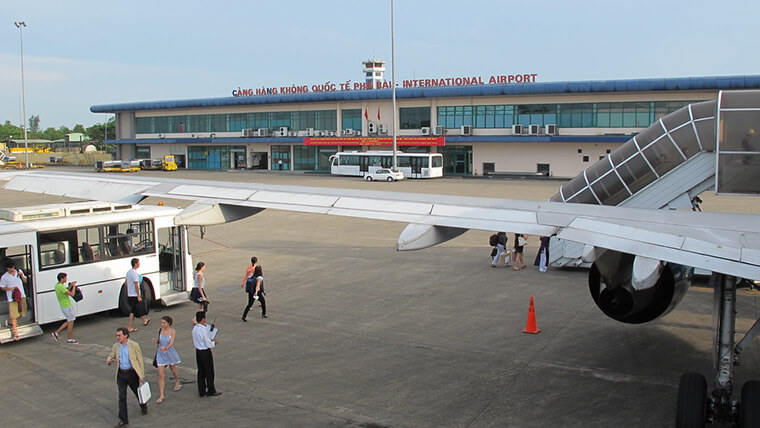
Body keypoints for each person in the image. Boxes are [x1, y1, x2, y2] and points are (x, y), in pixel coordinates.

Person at [106, 327, 148, 427]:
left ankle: (143, 405)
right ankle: (123, 419)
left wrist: (141, 374)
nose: (117, 337)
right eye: (116, 335)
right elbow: (112, 355)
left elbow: (140, 360)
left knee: (137, 392)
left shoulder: (134, 345)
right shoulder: (116, 346)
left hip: (132, 373)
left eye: (119, 335)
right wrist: (109, 359)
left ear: (126, 335)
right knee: (122, 396)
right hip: (121, 374)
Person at [151, 316, 182, 404]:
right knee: (160, 374)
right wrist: (157, 341)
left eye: (164, 323)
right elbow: (160, 341)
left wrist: (166, 348)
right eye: (162, 323)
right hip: (161, 353)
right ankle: (161, 395)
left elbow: (171, 343)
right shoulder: (161, 330)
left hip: (169, 352)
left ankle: (177, 381)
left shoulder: (172, 331)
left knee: (173, 369)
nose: (162, 324)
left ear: (169, 323)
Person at [192, 311, 221, 397]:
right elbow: (208, 343)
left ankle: (202, 390)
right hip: (205, 352)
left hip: (198, 351)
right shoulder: (203, 331)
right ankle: (211, 390)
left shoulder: (195, 329)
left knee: (201, 371)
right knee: (209, 371)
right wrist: (214, 343)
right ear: (203, 319)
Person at [0, 261, 27, 341]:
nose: (12, 269)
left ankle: (10, 322)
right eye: (10, 268)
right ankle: (15, 333)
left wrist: (22, 275)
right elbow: (2, 287)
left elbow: (25, 281)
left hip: (21, 295)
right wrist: (10, 289)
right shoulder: (4, 277)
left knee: (23, 313)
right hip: (12, 298)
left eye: (12, 267)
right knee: (13, 316)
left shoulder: (19, 272)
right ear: (7, 268)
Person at [52, 272, 78, 344]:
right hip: (66, 306)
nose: (66, 279)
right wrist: (74, 287)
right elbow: (72, 294)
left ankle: (56, 333)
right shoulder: (61, 286)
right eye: (65, 278)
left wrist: (70, 287)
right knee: (70, 322)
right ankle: (70, 338)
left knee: (69, 320)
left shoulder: (58, 286)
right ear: (62, 278)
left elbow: (66, 291)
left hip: (64, 306)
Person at [125, 258, 150, 333]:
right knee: (133, 311)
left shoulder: (128, 272)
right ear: (135, 264)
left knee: (137, 309)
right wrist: (138, 295)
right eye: (139, 263)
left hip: (130, 294)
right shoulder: (135, 274)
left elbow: (126, 283)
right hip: (134, 295)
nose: (139, 264)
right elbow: (136, 285)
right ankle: (129, 327)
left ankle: (144, 320)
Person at [240, 257, 258, 322]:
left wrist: (243, 282)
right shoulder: (256, 268)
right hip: (255, 285)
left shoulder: (249, 268)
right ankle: (258, 301)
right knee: (257, 295)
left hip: (249, 285)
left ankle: (257, 301)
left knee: (250, 297)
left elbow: (246, 276)